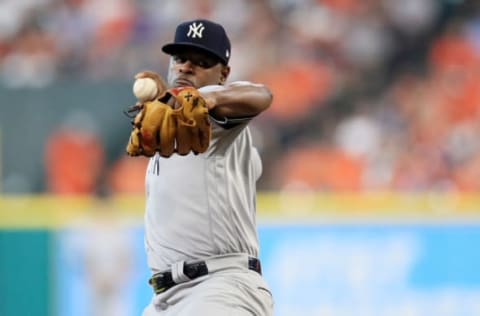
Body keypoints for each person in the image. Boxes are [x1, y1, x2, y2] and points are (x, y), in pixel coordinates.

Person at [139, 19, 274, 315]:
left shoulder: (213, 118)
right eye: (180, 58)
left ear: (224, 74)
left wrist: (206, 97)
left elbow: (262, 96)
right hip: (165, 298)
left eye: (201, 62)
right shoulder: (167, 125)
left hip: (217, 288)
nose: (186, 67)